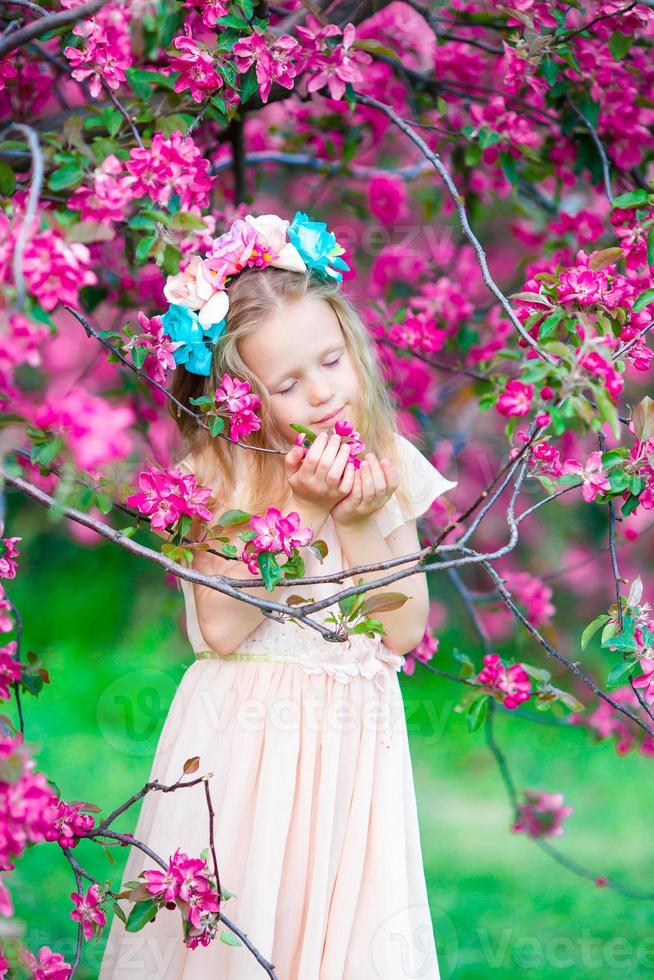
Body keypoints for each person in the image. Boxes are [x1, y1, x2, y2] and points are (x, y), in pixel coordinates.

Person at [99, 212, 456, 979]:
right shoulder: (216, 475)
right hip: (245, 740)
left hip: (354, 741)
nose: (324, 394)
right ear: (236, 397)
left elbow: (402, 631)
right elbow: (222, 629)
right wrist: (303, 509)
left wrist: (357, 518)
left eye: (333, 362)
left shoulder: (385, 460)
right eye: (289, 384)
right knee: (245, 914)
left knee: (344, 929)